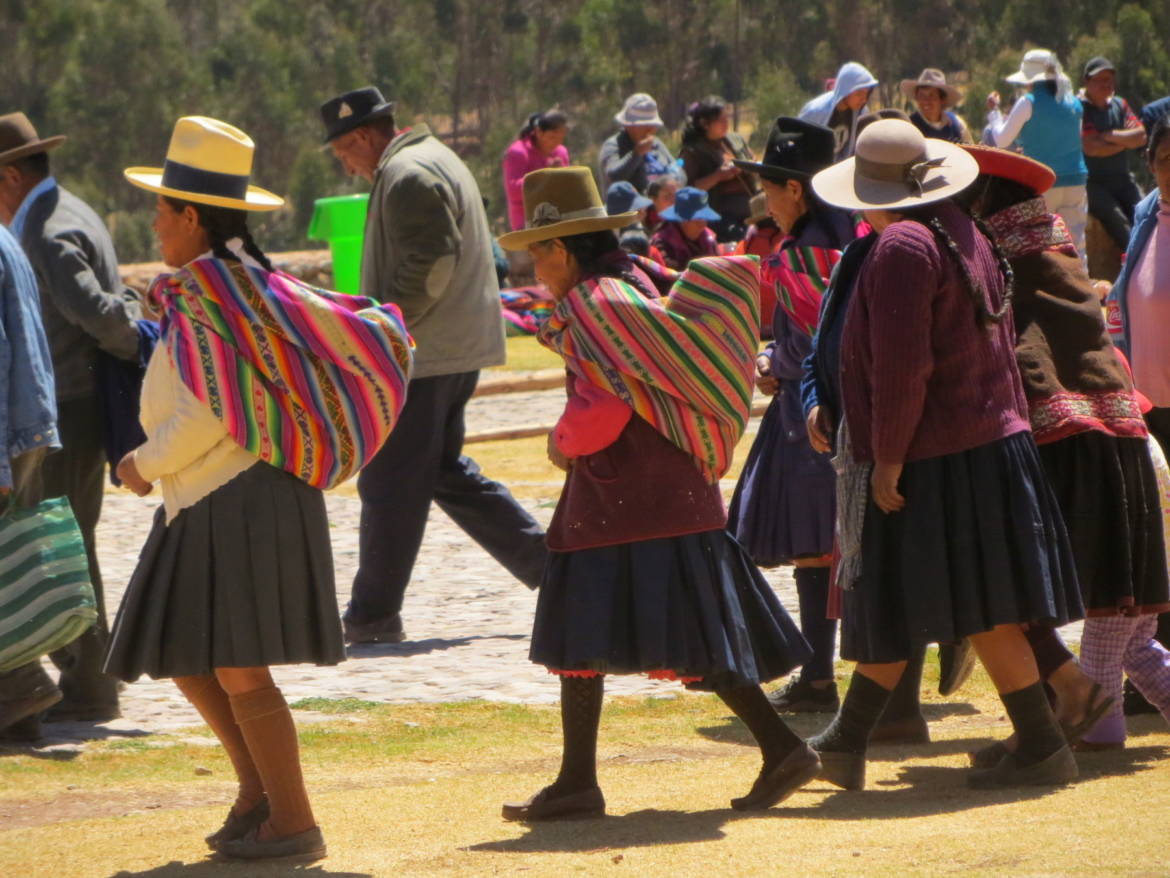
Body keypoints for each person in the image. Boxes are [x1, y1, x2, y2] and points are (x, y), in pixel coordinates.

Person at [104, 116, 413, 861]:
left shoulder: (217, 292)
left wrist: (142, 463)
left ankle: (294, 821)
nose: (155, 224)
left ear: (190, 217)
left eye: (161, 210)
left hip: (236, 494)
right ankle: (258, 793)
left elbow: (213, 411)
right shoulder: (227, 287)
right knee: (186, 653)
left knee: (238, 663)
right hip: (210, 497)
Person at [497, 166, 819, 820]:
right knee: (642, 630)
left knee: (604, 629)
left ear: (563, 248)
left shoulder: (596, 304)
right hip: (663, 496)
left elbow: (607, 405)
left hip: (629, 498)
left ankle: (778, 747)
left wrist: (563, 442)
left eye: (538, 251)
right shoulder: (638, 281)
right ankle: (579, 779)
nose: (534, 266)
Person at [807, 119, 1083, 790]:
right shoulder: (961, 227)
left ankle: (1038, 746)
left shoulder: (901, 246)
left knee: (939, 598)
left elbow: (903, 369)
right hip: (986, 443)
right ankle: (852, 740)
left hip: (938, 452)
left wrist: (889, 459)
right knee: (964, 601)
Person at [320, 86, 548, 644]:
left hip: (424, 353)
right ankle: (555, 568)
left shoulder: (408, 174)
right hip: (448, 347)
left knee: (391, 482)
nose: (346, 164)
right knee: (441, 472)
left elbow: (433, 259)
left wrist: (386, 325)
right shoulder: (426, 160)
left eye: (343, 152)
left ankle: (372, 615)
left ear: (362, 137)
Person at [958, 144, 1163, 760]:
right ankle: (1063, 717)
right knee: (1129, 631)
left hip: (1070, 454)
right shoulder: (1060, 263)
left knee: (1019, 588)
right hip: (1124, 443)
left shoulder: (1005, 270)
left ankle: (1075, 723)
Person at [0, 111, 141, 723]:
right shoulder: (70, 210)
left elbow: (101, 315)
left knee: (57, 550)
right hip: (72, 408)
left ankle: (87, 685)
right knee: (64, 544)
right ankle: (82, 681)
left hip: (65, 410)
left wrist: (142, 346)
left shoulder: (46, 232)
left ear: (8, 177)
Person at [727, 118, 860, 716]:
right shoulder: (855, 236)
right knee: (834, 544)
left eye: (771, 189)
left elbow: (808, 344)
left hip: (809, 416)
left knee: (814, 545)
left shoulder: (802, 256)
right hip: (849, 410)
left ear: (797, 191)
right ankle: (820, 671)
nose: (767, 203)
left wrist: (768, 359)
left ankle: (817, 673)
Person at [1106, 113, 1170, 711]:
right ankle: (1148, 673)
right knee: (1154, 543)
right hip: (1147, 406)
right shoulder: (1148, 212)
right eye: (1163, 161)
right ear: (1149, 163)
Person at [0, 221, 62, 742]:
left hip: (9, 430)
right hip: (26, 424)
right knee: (10, 563)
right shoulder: (5, 237)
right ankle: (23, 713)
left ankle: (28, 683)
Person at [986, 49, 1089, 258]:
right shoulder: (1074, 102)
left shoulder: (1028, 102)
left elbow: (1001, 140)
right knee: (1077, 243)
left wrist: (994, 114)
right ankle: (1084, 285)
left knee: (1042, 245)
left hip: (1043, 181)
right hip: (1076, 180)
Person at [1079, 57, 1147, 252]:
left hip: (1124, 180)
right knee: (1120, 223)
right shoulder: (1080, 109)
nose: (1106, 84)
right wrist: (1124, 142)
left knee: (1147, 213)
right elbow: (1091, 147)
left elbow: (1141, 136)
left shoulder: (1120, 105)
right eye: (1100, 79)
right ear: (1087, 82)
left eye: (1109, 79)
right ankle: (1134, 269)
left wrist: (1109, 136)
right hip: (1094, 184)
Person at [679, 96, 758, 241]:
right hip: (719, 216)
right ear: (705, 123)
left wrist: (748, 166)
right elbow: (685, 189)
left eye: (726, 118)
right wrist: (718, 176)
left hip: (750, 209)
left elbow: (752, 160)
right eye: (721, 120)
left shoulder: (735, 140)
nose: (726, 123)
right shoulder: (692, 152)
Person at [598, 93, 686, 194]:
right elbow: (614, 176)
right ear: (628, 125)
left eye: (653, 125)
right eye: (644, 125)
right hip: (630, 209)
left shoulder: (657, 144)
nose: (650, 130)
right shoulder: (613, 145)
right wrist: (637, 154)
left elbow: (679, 173)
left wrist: (672, 177)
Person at [502, 109, 570, 231]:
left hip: (558, 221)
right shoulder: (518, 152)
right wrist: (545, 174)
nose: (557, 143)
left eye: (561, 138)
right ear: (539, 132)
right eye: (552, 137)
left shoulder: (561, 152)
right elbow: (513, 190)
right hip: (527, 224)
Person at [799, 61, 879, 160]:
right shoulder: (816, 111)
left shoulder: (861, 112)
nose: (864, 99)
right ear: (846, 90)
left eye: (866, 94)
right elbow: (799, 146)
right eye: (859, 93)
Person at [650, 186, 720, 270]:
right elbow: (666, 274)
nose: (702, 225)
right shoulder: (661, 242)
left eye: (705, 218)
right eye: (697, 219)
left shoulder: (709, 238)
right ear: (681, 220)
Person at [900, 68, 973, 143]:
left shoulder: (958, 125)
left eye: (931, 95)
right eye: (921, 96)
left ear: (942, 100)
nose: (926, 101)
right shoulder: (909, 126)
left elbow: (969, 151)